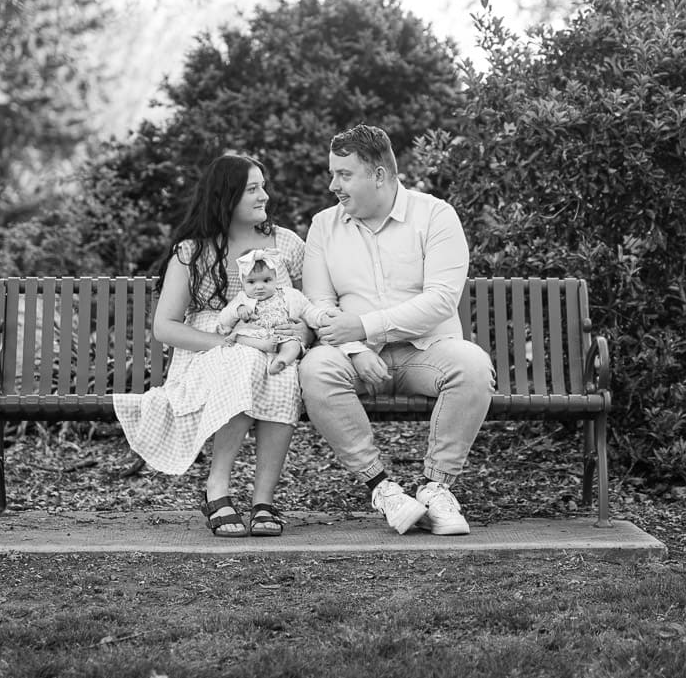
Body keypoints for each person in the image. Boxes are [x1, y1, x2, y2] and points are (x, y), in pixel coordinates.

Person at [300, 123, 495, 536]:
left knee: (474, 366)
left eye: (344, 174)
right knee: (315, 370)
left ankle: (436, 489)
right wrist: (356, 345)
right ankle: (384, 489)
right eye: (332, 173)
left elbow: (441, 300)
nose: (333, 184)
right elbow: (318, 303)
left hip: (426, 351)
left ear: (380, 175)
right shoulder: (324, 225)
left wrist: (368, 325)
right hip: (355, 356)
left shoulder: (436, 215)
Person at [112, 153, 309, 538]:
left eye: (263, 186)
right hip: (208, 348)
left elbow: (309, 303)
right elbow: (165, 326)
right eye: (252, 189)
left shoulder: (284, 243)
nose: (264, 196)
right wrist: (225, 341)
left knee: (284, 377)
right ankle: (216, 489)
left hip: (272, 341)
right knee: (242, 363)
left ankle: (263, 501)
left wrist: (296, 338)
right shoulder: (194, 250)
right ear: (226, 196)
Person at [216, 248, 319, 375]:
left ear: (275, 278)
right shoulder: (242, 298)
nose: (259, 286)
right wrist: (237, 310)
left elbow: (307, 309)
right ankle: (264, 345)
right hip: (254, 335)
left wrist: (320, 319)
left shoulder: (288, 294)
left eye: (266, 280)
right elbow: (223, 319)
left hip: (281, 334)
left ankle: (282, 360)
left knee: (294, 344)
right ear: (243, 282)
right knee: (240, 336)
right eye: (251, 282)